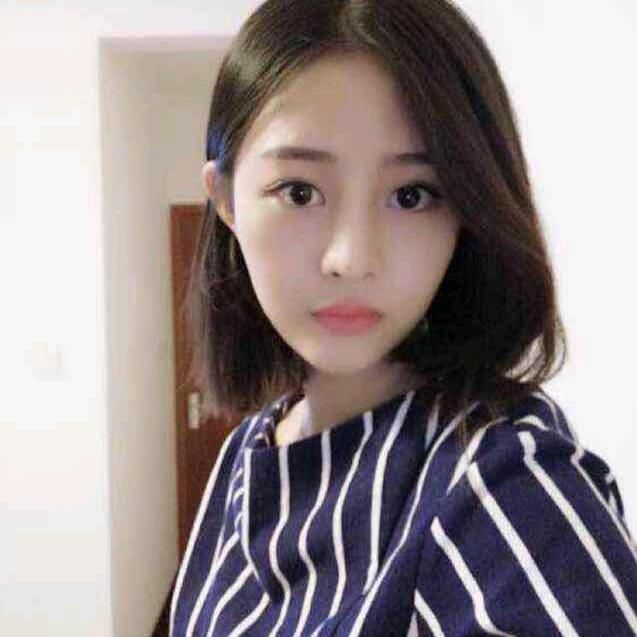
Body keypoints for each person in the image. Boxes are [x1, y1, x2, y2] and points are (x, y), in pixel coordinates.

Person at [169, 0, 637, 635]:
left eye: (411, 196)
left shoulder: (503, 481)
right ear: (225, 198)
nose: (352, 258)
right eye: (300, 192)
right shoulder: (245, 453)